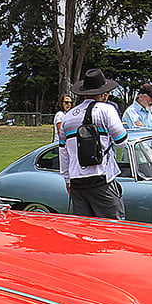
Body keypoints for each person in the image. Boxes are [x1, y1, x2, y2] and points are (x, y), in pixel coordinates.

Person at [59, 68, 129, 219]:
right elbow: (121, 141)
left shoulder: (68, 116)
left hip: (76, 182)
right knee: (113, 229)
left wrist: (67, 180)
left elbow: (63, 152)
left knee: (85, 231)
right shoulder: (106, 110)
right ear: (103, 93)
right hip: (101, 179)